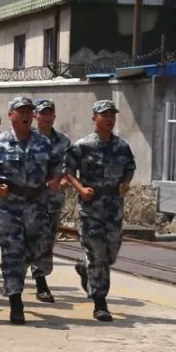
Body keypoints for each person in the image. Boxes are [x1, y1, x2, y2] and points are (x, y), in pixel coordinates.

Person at [0, 96, 61, 325]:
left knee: (34, 253)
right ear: (11, 116)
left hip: (37, 206)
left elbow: (57, 167)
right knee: (13, 253)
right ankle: (15, 301)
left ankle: (30, 283)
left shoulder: (44, 143)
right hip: (9, 208)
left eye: (28, 111)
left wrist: (55, 180)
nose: (25, 115)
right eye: (20, 111)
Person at [62, 100, 136, 322]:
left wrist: (125, 182)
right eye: (104, 115)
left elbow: (130, 167)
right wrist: (80, 189)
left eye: (112, 115)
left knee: (111, 252)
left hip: (114, 205)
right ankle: (100, 301)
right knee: (97, 254)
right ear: (95, 118)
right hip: (91, 206)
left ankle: (86, 269)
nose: (109, 119)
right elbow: (68, 170)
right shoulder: (83, 146)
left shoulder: (122, 146)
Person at [29, 99, 72, 303]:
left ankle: (40, 281)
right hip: (28, 199)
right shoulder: (26, 138)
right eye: (42, 113)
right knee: (26, 240)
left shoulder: (63, 141)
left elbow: (68, 167)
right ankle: (20, 279)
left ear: (54, 116)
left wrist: (64, 180)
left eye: (49, 113)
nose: (46, 117)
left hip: (53, 199)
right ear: (35, 116)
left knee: (46, 241)